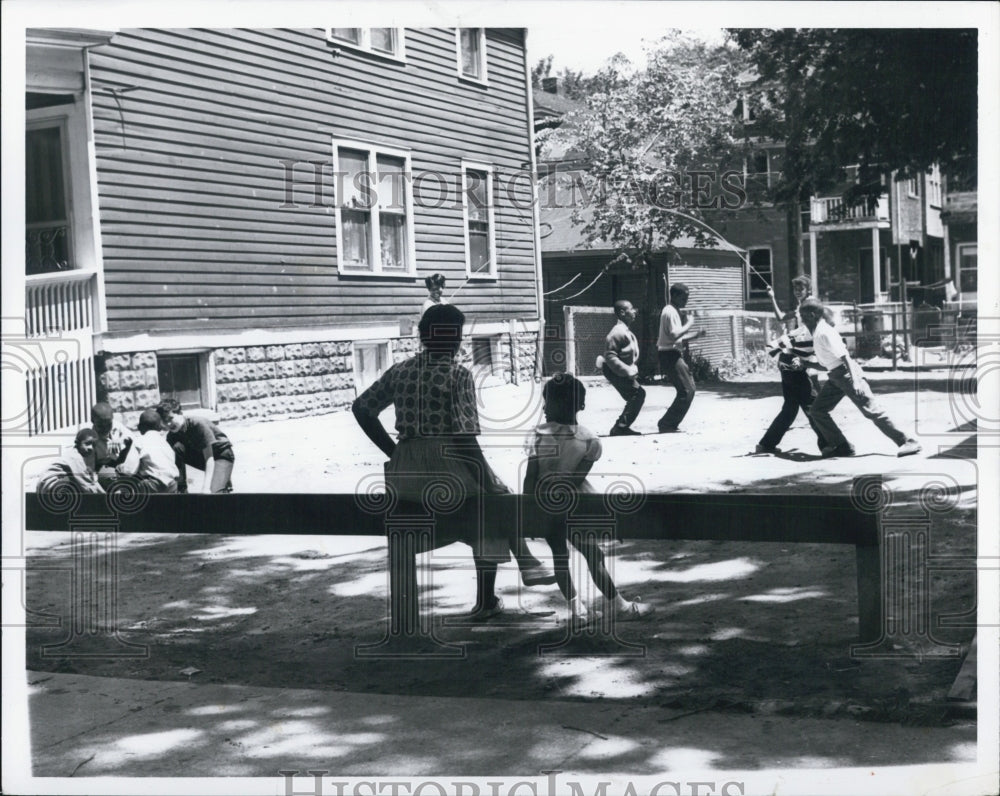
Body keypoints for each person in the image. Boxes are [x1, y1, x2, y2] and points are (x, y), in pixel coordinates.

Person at [352, 303, 553, 621]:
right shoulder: (457, 375)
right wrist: (488, 481)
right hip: (446, 468)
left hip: (405, 473)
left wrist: (394, 452)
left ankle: (524, 563)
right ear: (455, 339)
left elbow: (361, 408)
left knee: (489, 498)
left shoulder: (400, 371)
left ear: (422, 337)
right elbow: (463, 438)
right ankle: (500, 586)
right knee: (494, 502)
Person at [524, 374, 653, 624]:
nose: (544, 407)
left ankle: (578, 611)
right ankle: (619, 605)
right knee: (594, 556)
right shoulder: (588, 440)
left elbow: (530, 478)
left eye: (547, 401)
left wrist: (528, 508)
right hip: (575, 506)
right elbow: (575, 479)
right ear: (580, 405)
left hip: (544, 505)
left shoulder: (538, 435)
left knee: (560, 557)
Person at [799, 298, 922, 458]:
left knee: (871, 410)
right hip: (835, 377)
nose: (801, 319)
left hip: (848, 375)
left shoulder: (825, 332)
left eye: (803, 315)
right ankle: (843, 446)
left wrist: (855, 380)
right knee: (817, 411)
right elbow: (830, 364)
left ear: (813, 315)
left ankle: (908, 441)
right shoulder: (817, 333)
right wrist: (806, 364)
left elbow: (845, 357)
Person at [756, 276, 827, 453]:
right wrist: (772, 297)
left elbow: (813, 332)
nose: (797, 291)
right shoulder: (800, 308)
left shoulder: (811, 307)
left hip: (800, 356)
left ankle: (767, 444)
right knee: (810, 403)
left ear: (808, 290)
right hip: (793, 357)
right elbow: (781, 318)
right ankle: (828, 444)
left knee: (792, 406)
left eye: (800, 289)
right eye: (795, 288)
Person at [156, 398, 235, 493]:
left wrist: (206, 488)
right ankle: (182, 491)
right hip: (199, 454)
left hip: (221, 455)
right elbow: (170, 462)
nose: (168, 424)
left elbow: (209, 458)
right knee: (175, 448)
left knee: (214, 493)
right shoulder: (172, 435)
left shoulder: (197, 424)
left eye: (170, 418)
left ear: (180, 413)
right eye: (165, 421)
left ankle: (222, 478)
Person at [598, 299, 645, 436]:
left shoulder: (624, 330)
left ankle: (621, 426)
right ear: (623, 312)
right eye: (631, 309)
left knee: (637, 395)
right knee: (637, 394)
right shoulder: (617, 332)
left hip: (619, 369)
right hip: (613, 369)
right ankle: (620, 427)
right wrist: (626, 370)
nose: (634, 311)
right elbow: (610, 356)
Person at [656, 283, 698, 433]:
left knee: (688, 389)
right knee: (687, 390)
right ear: (674, 296)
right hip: (669, 355)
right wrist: (690, 323)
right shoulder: (670, 311)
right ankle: (667, 424)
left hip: (672, 353)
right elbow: (674, 334)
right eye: (683, 297)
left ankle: (668, 423)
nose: (685, 301)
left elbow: (677, 336)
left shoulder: (673, 310)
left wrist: (696, 335)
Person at [116, 408, 181, 493]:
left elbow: (129, 470)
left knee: (121, 471)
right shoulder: (165, 443)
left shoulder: (140, 440)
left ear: (140, 428)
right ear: (159, 427)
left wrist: (120, 467)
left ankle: (125, 503)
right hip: (172, 484)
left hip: (153, 485)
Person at [36, 428, 104, 495]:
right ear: (77, 443)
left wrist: (104, 494)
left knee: (83, 480)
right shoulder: (75, 457)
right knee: (83, 488)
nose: (91, 448)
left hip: (45, 487)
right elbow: (86, 486)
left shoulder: (74, 454)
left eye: (94, 445)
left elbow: (91, 482)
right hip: (51, 486)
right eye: (87, 443)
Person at [89, 402, 133, 487]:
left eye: (108, 424)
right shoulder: (90, 438)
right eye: (100, 425)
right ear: (92, 420)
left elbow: (133, 440)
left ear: (112, 419)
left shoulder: (118, 427)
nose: (105, 428)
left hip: (120, 464)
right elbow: (90, 467)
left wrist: (122, 440)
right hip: (102, 468)